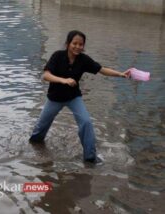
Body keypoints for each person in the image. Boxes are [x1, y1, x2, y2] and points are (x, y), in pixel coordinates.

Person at [29, 30, 130, 164]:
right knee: (40, 130)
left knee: (86, 122)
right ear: (68, 43)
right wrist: (63, 80)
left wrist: (121, 74)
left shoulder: (83, 60)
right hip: (55, 98)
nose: (77, 47)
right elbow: (46, 75)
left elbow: (101, 69)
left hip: (73, 98)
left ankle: (90, 157)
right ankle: (34, 147)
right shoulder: (58, 56)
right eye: (74, 43)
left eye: (81, 44)